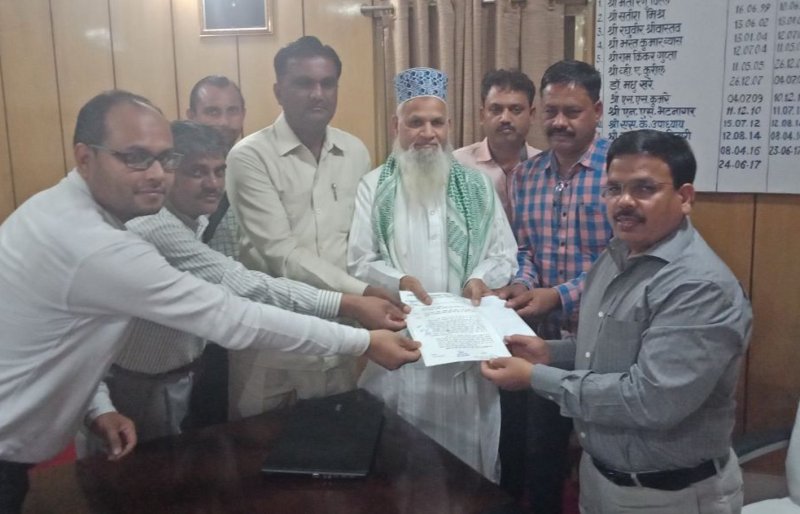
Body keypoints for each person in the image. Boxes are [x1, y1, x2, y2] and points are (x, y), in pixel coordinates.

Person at [0, 90, 420, 513]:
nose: (157, 175)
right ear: (85, 157)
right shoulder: (98, 243)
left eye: (165, 158)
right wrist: (362, 339)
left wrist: (97, 407)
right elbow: (230, 314)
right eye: (135, 158)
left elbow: (65, 336)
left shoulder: (61, 208)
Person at [482, 129, 752, 514]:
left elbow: (650, 400)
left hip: (669, 494)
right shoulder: (616, 255)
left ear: (685, 197)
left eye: (644, 188)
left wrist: (535, 377)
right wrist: (548, 353)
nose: (624, 201)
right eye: (614, 189)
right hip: (599, 479)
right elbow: (607, 348)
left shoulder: (699, 286)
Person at [88, 120, 407, 443]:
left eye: (219, 171)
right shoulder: (159, 226)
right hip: (136, 386)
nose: (213, 184)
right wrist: (351, 304)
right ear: (169, 172)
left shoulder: (195, 218)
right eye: (197, 173)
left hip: (179, 374)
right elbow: (246, 286)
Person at [347, 67, 518, 481]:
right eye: (416, 122)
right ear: (397, 126)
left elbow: (504, 254)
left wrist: (479, 278)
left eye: (437, 122)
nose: (428, 133)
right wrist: (398, 281)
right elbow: (359, 261)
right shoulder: (374, 186)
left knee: (466, 478)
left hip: (464, 357)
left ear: (449, 126)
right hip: (404, 350)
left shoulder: (477, 186)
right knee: (401, 477)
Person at [225, 36, 395, 416]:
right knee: (259, 445)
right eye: (304, 83)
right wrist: (364, 294)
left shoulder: (355, 151)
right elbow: (281, 253)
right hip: (273, 343)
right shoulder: (250, 156)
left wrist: (390, 286)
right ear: (278, 91)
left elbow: (362, 241)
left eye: (327, 83)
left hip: (341, 340)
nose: (318, 94)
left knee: (335, 438)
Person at [492, 60, 615, 512]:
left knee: (606, 457)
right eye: (551, 111)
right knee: (540, 458)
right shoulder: (526, 176)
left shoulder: (617, 174)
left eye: (572, 111)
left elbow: (620, 262)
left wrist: (558, 296)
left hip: (604, 345)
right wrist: (523, 285)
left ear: (596, 111)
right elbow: (524, 248)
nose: (559, 122)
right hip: (540, 346)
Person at [185, 75, 247, 426]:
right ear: (191, 115)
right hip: (190, 331)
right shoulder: (170, 173)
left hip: (240, 325)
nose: (224, 122)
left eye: (232, 111)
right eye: (212, 111)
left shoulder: (253, 165)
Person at [453, 69, 540, 224]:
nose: (505, 118)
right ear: (482, 116)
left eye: (516, 110)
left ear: (531, 115)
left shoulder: (545, 166)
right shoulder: (457, 165)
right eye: (496, 110)